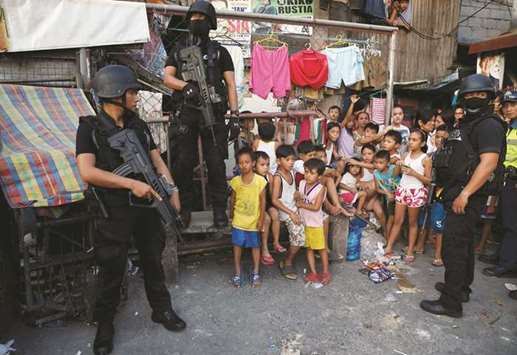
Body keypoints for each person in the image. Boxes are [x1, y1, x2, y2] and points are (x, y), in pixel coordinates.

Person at [76, 65, 186, 355]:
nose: (137, 97)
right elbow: (86, 171)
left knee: (153, 259)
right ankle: (105, 324)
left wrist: (172, 191)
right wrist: (128, 184)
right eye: (132, 92)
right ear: (115, 95)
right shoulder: (89, 128)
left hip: (148, 205)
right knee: (112, 268)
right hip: (114, 210)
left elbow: (157, 161)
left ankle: (161, 309)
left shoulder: (138, 124)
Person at [421, 74, 506, 318]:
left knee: (453, 248)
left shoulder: (489, 125)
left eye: (480, 95)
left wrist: (466, 194)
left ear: (489, 97)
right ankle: (460, 289)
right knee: (465, 245)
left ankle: (450, 303)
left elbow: (488, 163)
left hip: (465, 195)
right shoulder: (468, 122)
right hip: (455, 192)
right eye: (469, 95)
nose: (474, 98)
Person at [164, 0, 238, 228]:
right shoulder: (178, 50)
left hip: (213, 114)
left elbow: (231, 85)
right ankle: (185, 208)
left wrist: (235, 116)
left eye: (201, 19)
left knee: (215, 164)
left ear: (211, 22)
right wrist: (184, 87)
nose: (197, 22)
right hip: (186, 113)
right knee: (184, 163)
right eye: (193, 18)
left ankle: (219, 209)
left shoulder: (220, 52)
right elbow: (167, 77)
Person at [482, 89, 517, 281]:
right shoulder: (510, 126)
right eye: (506, 105)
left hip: (515, 181)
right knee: (503, 221)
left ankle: (507, 264)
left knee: (512, 225)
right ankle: (501, 257)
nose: (508, 108)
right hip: (506, 180)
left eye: (513, 105)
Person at [384, 129, 432, 263]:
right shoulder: (405, 155)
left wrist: (413, 173)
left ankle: (410, 249)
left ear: (422, 143)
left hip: (416, 192)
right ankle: (389, 246)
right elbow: (395, 175)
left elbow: (428, 180)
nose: (411, 142)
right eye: (410, 139)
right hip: (403, 189)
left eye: (415, 140)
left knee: (412, 222)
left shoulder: (426, 159)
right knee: (397, 220)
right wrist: (398, 164)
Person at [229, 147, 267, 287]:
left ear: (253, 163)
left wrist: (261, 219)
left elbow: (263, 201)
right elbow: (232, 200)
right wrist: (231, 215)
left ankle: (256, 272)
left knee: (255, 247)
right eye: (240, 162)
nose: (243, 165)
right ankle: (237, 273)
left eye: (247, 162)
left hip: (254, 222)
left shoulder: (260, 181)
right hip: (238, 221)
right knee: (237, 246)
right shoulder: (236, 181)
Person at [295, 158, 331, 285]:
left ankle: (326, 272)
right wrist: (297, 198)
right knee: (309, 248)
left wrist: (301, 204)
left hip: (316, 224)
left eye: (312, 173)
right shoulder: (302, 183)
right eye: (306, 172)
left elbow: (316, 207)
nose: (308, 175)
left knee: (321, 248)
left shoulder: (321, 188)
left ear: (319, 176)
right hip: (305, 222)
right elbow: (299, 196)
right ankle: (313, 272)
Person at [273, 145, 305, 280]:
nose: (291, 162)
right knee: (299, 235)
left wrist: (297, 195)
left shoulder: (291, 172)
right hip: (284, 211)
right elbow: (275, 200)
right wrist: (291, 213)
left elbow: (292, 191)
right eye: (288, 159)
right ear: (279, 161)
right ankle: (287, 261)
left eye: (292, 159)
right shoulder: (277, 178)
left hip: (294, 207)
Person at [254, 151, 284, 264]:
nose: (265, 167)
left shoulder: (269, 176)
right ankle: (265, 248)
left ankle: (276, 242)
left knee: (275, 214)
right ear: (254, 165)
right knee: (266, 219)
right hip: (257, 205)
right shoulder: (253, 178)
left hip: (267, 203)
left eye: (267, 164)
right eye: (262, 165)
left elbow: (271, 196)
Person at [374, 150, 400, 241]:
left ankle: (393, 238)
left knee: (399, 219)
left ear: (388, 163)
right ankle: (388, 238)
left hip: (400, 195)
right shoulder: (376, 173)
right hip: (389, 198)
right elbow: (377, 189)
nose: (378, 165)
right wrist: (387, 193)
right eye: (376, 162)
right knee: (391, 217)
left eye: (381, 163)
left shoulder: (393, 168)